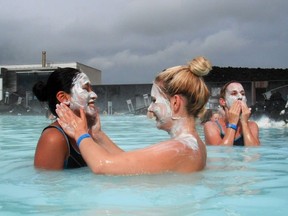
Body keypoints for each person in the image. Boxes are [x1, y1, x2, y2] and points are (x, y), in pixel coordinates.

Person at [55, 56, 212, 175]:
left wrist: (80, 134)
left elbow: (102, 165)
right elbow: (128, 162)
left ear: (175, 103)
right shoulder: (195, 145)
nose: (150, 108)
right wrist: (97, 134)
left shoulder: (180, 148)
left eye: (154, 100)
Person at [32, 67, 98, 170]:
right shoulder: (53, 138)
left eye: (91, 90)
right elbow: (45, 184)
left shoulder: (90, 132)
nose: (94, 95)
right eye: (85, 89)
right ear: (63, 98)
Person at [204, 81, 260, 146]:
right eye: (234, 93)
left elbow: (254, 153)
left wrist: (244, 123)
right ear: (223, 102)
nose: (240, 97)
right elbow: (221, 153)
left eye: (242, 94)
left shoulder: (252, 125)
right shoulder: (211, 126)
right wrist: (232, 123)